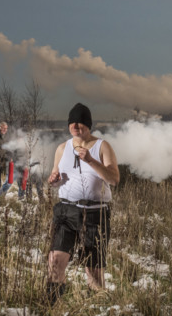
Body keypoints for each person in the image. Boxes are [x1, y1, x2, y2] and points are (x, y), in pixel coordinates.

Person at [46, 103, 119, 305]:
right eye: (72, 122)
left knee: (94, 269)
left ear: (88, 125)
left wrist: (90, 161)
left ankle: (96, 312)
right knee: (55, 260)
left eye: (80, 122)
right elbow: (55, 177)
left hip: (95, 213)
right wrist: (53, 180)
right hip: (66, 211)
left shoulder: (102, 146)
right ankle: (52, 308)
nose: (76, 126)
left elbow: (114, 179)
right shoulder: (62, 148)